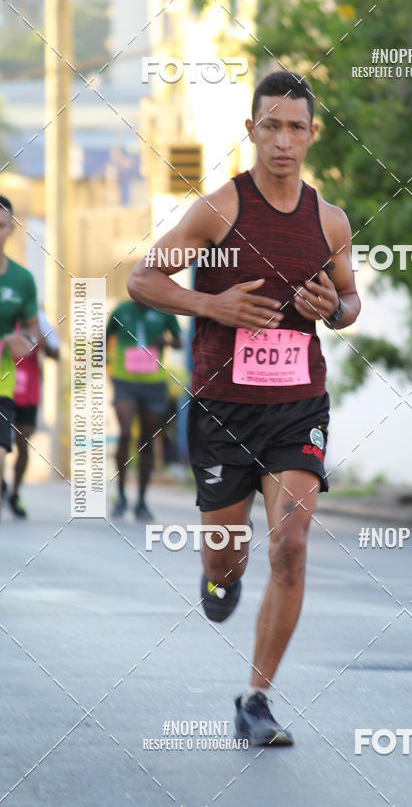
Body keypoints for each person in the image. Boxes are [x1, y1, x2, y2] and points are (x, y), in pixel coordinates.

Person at [127, 71, 361, 745]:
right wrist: (211, 305)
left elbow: (349, 301)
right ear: (251, 131)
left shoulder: (330, 221)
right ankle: (218, 581)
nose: (283, 140)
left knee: (290, 543)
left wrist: (333, 311)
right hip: (224, 410)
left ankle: (257, 699)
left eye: (296, 127)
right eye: (271, 125)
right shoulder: (218, 210)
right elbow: (142, 278)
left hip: (297, 407)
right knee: (224, 560)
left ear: (313, 135)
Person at [106, 299, 182, 521]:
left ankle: (141, 500)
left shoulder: (165, 311)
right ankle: (120, 495)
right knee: (125, 431)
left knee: (147, 441)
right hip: (124, 380)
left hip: (154, 382)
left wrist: (166, 341)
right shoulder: (121, 311)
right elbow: (105, 338)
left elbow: (179, 342)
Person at [0, 195, 41, 524]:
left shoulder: (22, 280)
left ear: (11, 229)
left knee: (4, 448)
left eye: (1, 225)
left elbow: (33, 334)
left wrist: (22, 343)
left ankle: (10, 493)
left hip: (5, 381)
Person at [5, 308, 60, 518]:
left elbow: (55, 354)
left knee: (22, 443)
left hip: (29, 394)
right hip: (5, 391)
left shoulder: (37, 323)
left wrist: (42, 336)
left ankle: (15, 492)